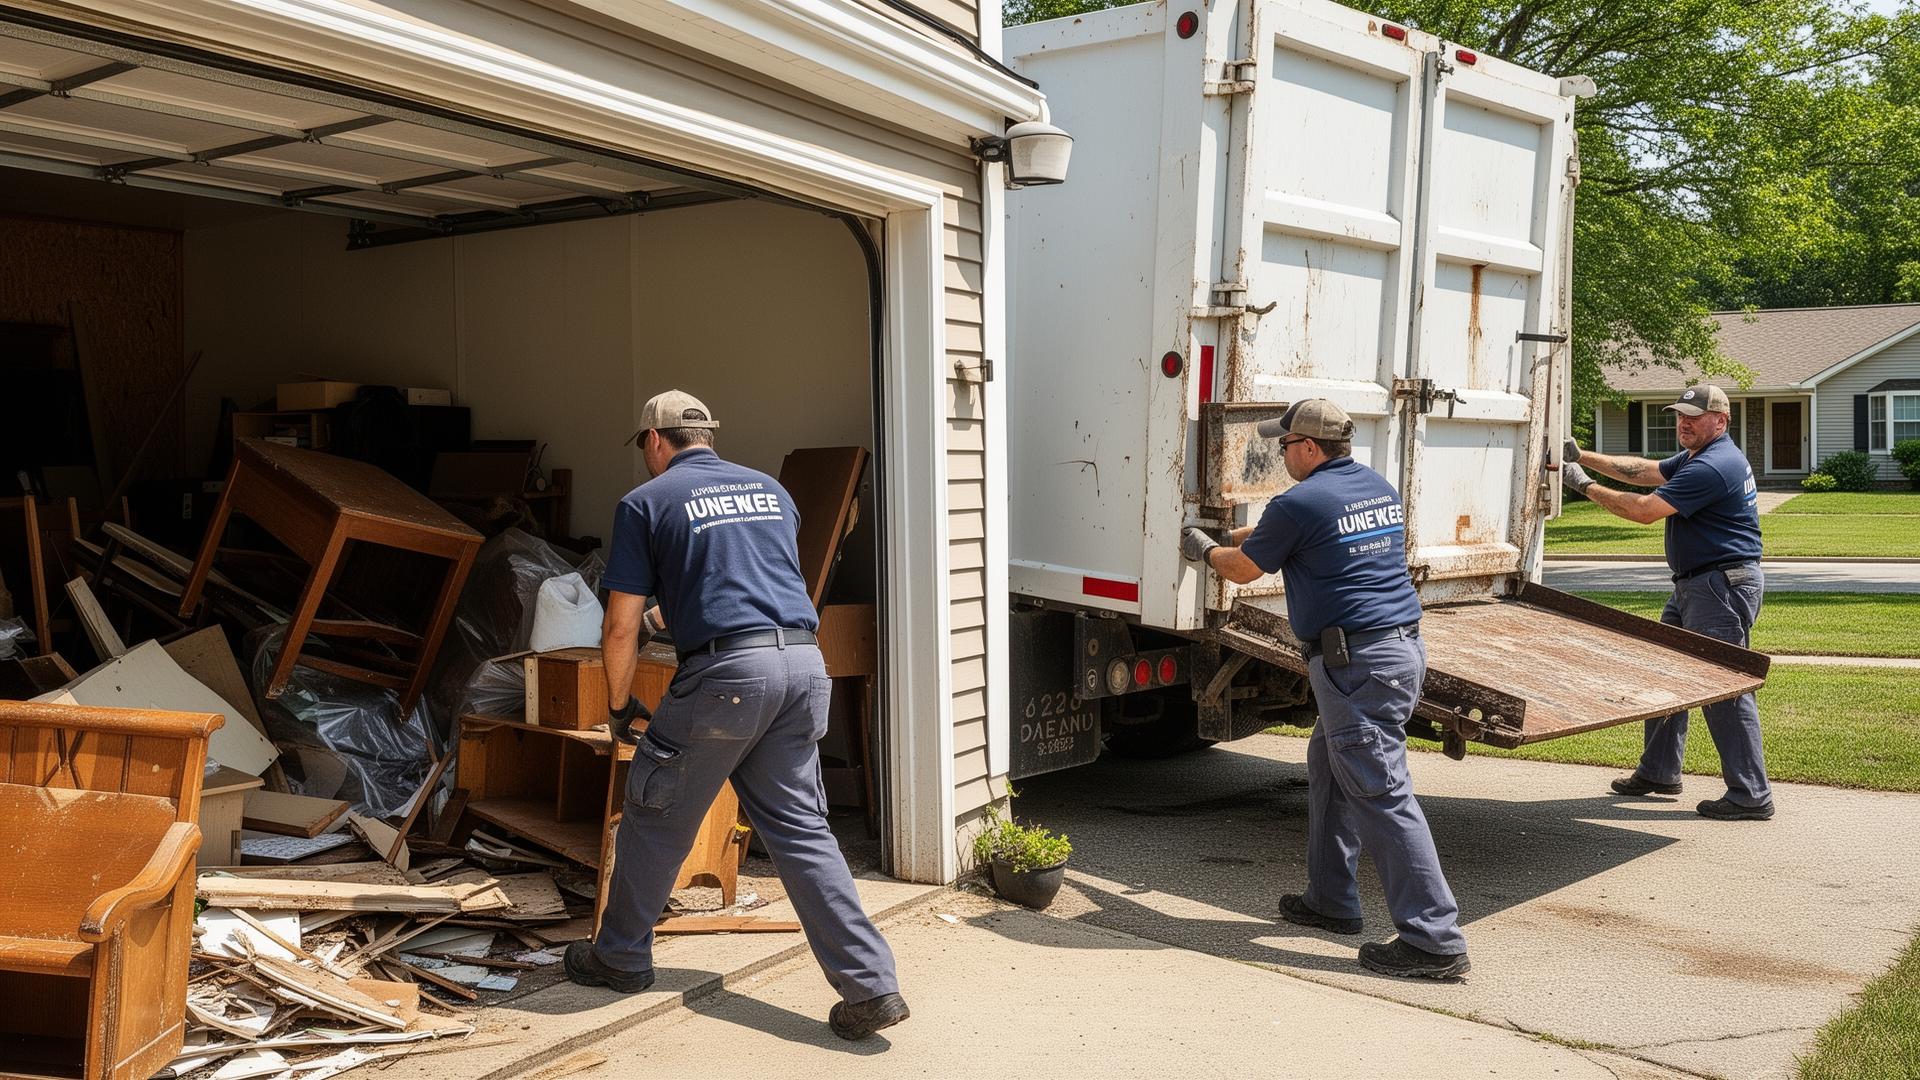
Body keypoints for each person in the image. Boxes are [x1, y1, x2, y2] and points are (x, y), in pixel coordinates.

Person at [564, 389, 908, 1041]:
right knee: (802, 832)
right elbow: (750, 582)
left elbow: (618, 627)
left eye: (644, 446)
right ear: (708, 437)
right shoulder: (770, 493)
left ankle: (620, 958)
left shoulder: (646, 502)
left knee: (654, 810)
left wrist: (617, 707)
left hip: (727, 681)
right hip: (803, 668)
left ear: (655, 441)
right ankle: (871, 987)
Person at [1181, 399, 1469, 980]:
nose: (1280, 452)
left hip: (1355, 664)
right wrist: (1230, 532)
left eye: (1284, 444)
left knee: (1381, 791)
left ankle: (1434, 939)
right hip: (1394, 652)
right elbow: (1280, 532)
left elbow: (1244, 568)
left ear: (1309, 448)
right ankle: (1332, 899)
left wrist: (1203, 549)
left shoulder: (1302, 500)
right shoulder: (1374, 488)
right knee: (1329, 765)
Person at [1561, 384, 1773, 820]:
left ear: (1721, 420)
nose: (1684, 422)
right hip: (1697, 585)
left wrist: (1582, 485)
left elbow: (1643, 509)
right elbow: (1643, 470)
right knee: (1664, 668)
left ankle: (1751, 794)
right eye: (1680, 414)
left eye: (1694, 416)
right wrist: (1582, 455)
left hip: (1719, 587)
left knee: (1724, 688)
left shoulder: (1715, 465)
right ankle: (1659, 771)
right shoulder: (1698, 456)